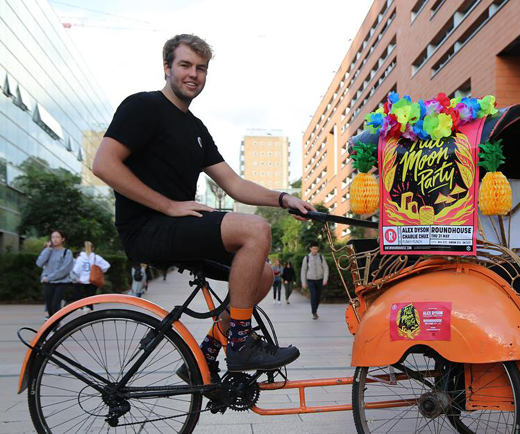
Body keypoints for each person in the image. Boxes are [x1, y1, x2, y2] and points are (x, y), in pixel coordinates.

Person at [92, 34, 314, 375]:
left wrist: (284, 198)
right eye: (185, 65)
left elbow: (235, 184)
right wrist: (168, 205)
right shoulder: (143, 106)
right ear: (167, 68)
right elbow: (104, 164)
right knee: (255, 228)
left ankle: (208, 351)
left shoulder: (196, 128)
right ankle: (240, 343)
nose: (193, 74)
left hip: (177, 226)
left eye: (201, 68)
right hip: (147, 228)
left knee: (264, 275)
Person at [36, 230, 74, 317]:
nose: (55, 239)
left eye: (57, 237)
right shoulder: (48, 251)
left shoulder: (67, 252)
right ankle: (53, 325)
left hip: (61, 282)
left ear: (62, 239)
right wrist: (48, 249)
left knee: (55, 305)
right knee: (49, 306)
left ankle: (56, 326)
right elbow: (39, 263)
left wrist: (50, 277)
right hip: (48, 282)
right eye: (53, 237)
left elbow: (65, 269)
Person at [71, 241, 111, 310]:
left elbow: (76, 270)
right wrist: (100, 270)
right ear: (92, 248)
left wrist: (80, 277)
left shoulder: (80, 258)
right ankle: (90, 310)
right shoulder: (96, 257)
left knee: (83, 298)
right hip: (93, 280)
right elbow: (106, 265)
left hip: (82, 281)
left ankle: (84, 310)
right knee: (90, 298)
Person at [301, 243, 328, 320]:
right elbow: (303, 271)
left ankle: (315, 310)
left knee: (318, 297)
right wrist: (303, 282)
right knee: (313, 296)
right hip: (311, 280)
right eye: (313, 249)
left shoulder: (321, 257)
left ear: (318, 249)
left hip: (320, 279)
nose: (315, 250)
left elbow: (326, 268)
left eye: (316, 249)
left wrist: (325, 279)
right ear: (310, 249)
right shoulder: (306, 258)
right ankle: (314, 312)